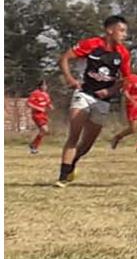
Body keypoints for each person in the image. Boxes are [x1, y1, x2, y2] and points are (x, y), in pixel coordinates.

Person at [54, 15, 132, 186]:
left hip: (103, 102)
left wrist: (111, 90)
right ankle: (62, 177)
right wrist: (70, 78)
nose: (124, 35)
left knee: (87, 144)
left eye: (125, 31)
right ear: (110, 30)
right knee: (74, 135)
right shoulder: (91, 44)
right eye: (122, 30)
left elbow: (126, 79)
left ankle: (72, 164)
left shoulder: (123, 53)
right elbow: (65, 58)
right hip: (83, 94)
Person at [109, 70, 137, 152]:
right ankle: (117, 137)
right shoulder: (131, 78)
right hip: (133, 105)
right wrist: (133, 101)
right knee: (133, 129)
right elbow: (125, 92)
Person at [25, 81, 52, 154]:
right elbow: (28, 103)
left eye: (46, 86)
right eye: (44, 85)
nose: (46, 87)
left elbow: (48, 103)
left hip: (44, 115)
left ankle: (33, 145)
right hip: (37, 115)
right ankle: (34, 146)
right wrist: (38, 108)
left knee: (44, 131)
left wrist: (50, 107)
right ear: (40, 86)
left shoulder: (46, 95)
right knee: (44, 129)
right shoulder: (35, 93)